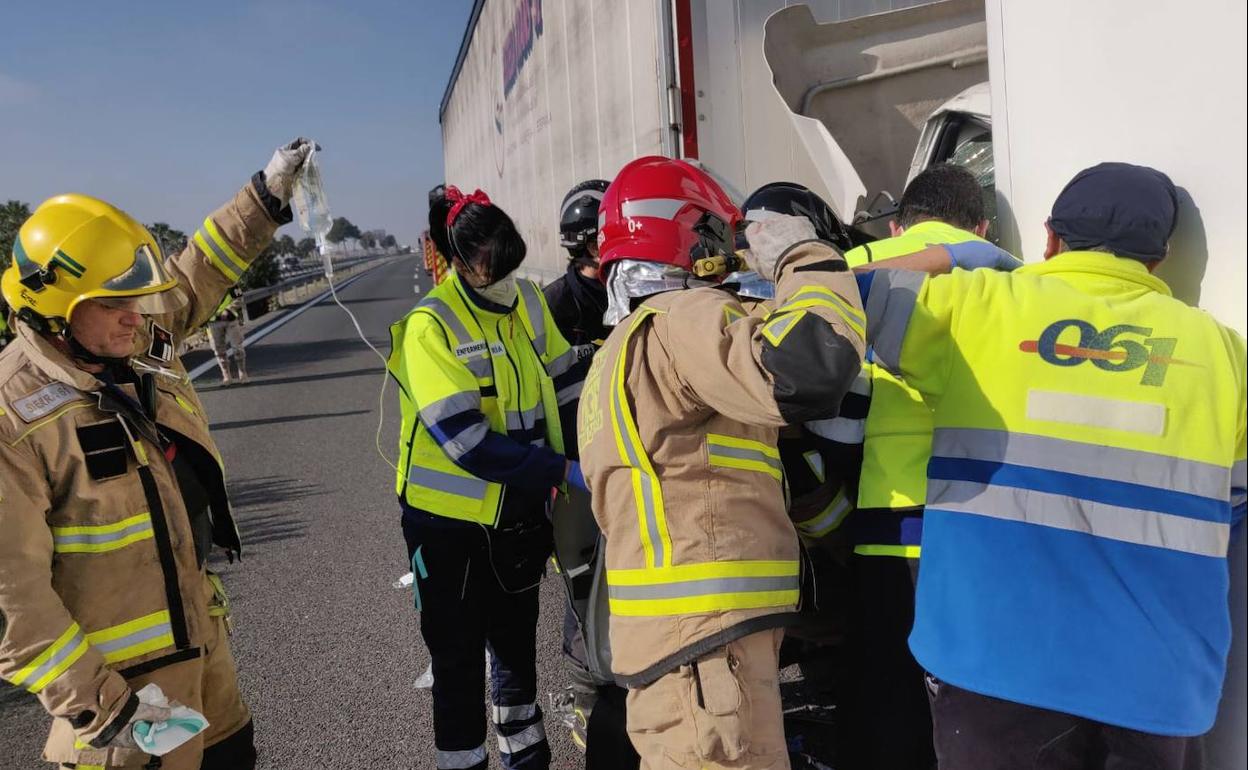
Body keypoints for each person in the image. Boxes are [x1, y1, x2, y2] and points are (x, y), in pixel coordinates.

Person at [858, 162, 1246, 769]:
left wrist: (958, 254)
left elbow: (833, 292)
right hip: (1155, 681)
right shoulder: (1226, 355)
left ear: (1048, 238)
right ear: (1159, 258)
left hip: (994, 664)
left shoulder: (975, 304)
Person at [0, 136, 315, 769]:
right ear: (55, 311)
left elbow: (196, 273)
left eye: (138, 299)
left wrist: (266, 193)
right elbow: (13, 602)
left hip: (203, 669)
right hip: (123, 709)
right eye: (114, 303)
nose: (137, 314)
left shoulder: (136, 344)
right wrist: (109, 710)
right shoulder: (15, 416)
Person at [577, 156, 868, 769]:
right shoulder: (681, 319)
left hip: (685, 650)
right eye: (720, 238)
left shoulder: (617, 350)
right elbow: (812, 366)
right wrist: (805, 258)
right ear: (692, 237)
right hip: (707, 656)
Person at [387, 185, 589, 770]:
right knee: (455, 660)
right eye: (490, 269)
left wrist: (592, 451)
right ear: (457, 262)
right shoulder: (432, 326)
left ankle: (527, 761)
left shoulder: (526, 301)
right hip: (446, 526)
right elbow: (467, 442)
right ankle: (464, 760)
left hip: (518, 513)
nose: (504, 278)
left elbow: (566, 384)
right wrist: (561, 470)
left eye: (510, 264)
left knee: (516, 649)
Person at [840, 163, 992, 769]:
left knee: (887, 697)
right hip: (982, 521)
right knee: (969, 701)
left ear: (900, 222)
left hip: (884, 523)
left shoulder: (851, 268)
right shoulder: (1012, 274)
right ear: (980, 223)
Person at [540, 178, 639, 766]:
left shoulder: (633, 289)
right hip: (578, 477)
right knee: (585, 587)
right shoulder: (557, 304)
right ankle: (590, 705)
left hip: (626, 468)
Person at [207, 287, 247, 384]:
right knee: (218, 350)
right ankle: (226, 375)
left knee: (237, 348)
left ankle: (242, 373)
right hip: (213, 322)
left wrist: (229, 309)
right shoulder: (203, 284)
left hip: (230, 319)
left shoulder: (229, 281)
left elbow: (239, 298)